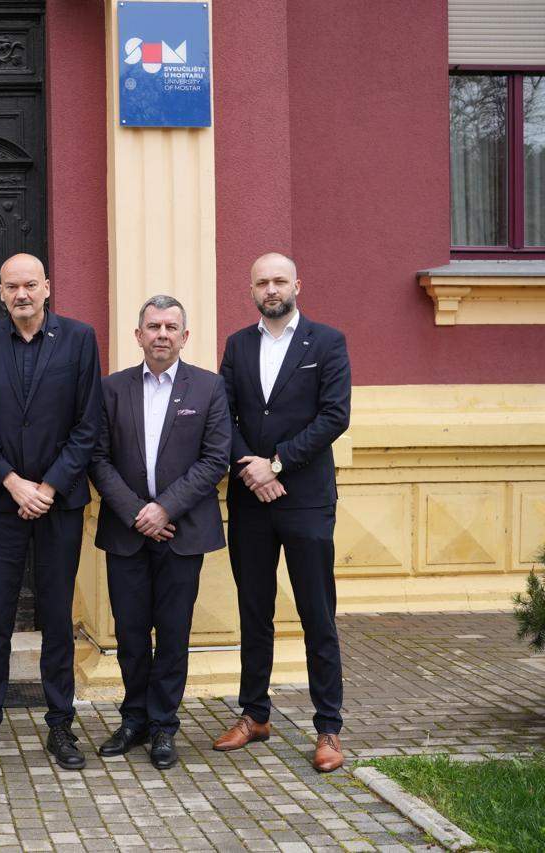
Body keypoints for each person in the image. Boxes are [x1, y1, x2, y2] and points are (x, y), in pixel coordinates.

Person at [0, 252, 102, 771]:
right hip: (2, 502)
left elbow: (88, 424)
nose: (21, 294)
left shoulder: (80, 339)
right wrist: (14, 483)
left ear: (47, 287)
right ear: (0, 293)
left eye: (30, 285)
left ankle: (61, 724)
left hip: (60, 503)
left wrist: (48, 486)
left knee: (58, 617)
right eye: (11, 286)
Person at [215, 252, 351, 772]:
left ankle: (328, 728)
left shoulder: (327, 342)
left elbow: (334, 417)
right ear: (251, 290)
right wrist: (251, 469)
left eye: (279, 281)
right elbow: (222, 415)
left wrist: (276, 464)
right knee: (254, 611)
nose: (270, 289)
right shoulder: (238, 344)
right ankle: (255, 714)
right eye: (261, 282)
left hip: (306, 499)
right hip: (251, 500)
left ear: (297, 284)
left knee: (317, 613)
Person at [88, 295, 229, 769]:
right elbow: (97, 457)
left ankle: (164, 724)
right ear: (138, 335)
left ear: (185, 336)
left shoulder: (209, 387)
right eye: (153, 327)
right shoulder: (111, 389)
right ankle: (134, 720)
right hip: (127, 532)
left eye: (170, 327)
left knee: (172, 633)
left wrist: (165, 508)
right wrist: (137, 512)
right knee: (130, 633)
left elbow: (215, 458)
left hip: (182, 532)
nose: (162, 334)